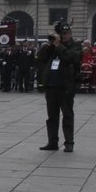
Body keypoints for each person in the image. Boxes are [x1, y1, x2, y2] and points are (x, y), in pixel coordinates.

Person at [37, 21, 82, 153]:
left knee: (67, 115)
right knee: (52, 116)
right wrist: (50, 46)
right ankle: (52, 142)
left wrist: (59, 45)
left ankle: (69, 142)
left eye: (67, 33)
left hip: (66, 86)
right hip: (51, 85)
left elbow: (70, 58)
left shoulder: (76, 46)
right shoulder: (51, 47)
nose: (65, 35)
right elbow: (41, 60)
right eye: (62, 33)